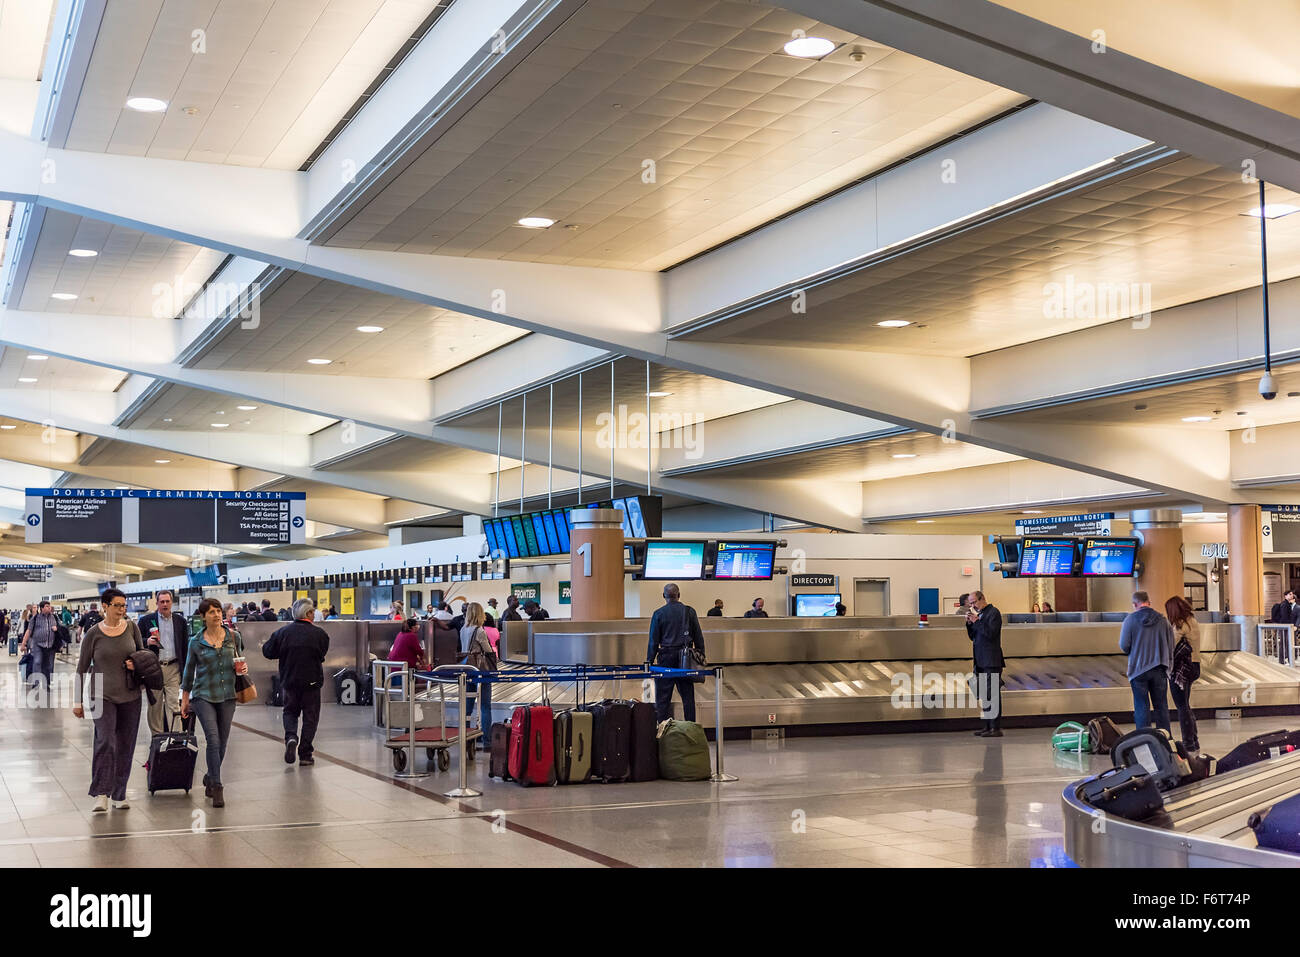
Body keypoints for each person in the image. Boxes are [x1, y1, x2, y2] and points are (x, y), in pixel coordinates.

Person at [74, 588, 144, 812]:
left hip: (130, 695)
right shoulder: (93, 633)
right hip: (100, 694)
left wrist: (136, 664)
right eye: (117, 605)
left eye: (124, 606)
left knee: (126, 743)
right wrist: (77, 702)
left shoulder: (132, 628)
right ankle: (101, 793)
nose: (122, 610)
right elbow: (81, 668)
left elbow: (143, 657)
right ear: (105, 606)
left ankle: (119, 793)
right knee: (105, 741)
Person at [181, 597, 247, 808]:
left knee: (223, 742)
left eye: (218, 611)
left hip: (228, 694)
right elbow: (188, 671)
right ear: (203, 617)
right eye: (211, 612)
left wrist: (243, 669)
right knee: (213, 739)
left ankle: (210, 775)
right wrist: (185, 699)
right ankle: (217, 786)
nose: (217, 615)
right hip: (203, 695)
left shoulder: (233, 637)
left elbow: (240, 661)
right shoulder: (195, 642)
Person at [262, 598, 330, 767]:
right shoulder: (320, 634)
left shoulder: (282, 633)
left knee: (290, 712)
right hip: (312, 682)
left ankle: (291, 737)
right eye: (313, 611)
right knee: (311, 717)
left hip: (289, 681)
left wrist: (284, 652)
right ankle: (305, 754)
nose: (314, 614)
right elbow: (322, 654)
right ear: (307, 613)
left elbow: (268, 651)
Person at [647, 583, 706, 723]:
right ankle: (691, 728)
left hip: (665, 657)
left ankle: (662, 731)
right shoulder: (689, 611)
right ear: (679, 595)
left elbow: (653, 641)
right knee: (687, 697)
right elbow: (698, 636)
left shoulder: (658, 613)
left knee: (663, 699)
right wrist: (701, 656)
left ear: (664, 596)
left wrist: (649, 661)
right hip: (685, 658)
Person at [1119, 591, 1174, 734]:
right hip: (1160, 668)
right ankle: (1165, 739)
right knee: (1161, 706)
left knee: (1141, 706)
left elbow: (1124, 645)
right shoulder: (1163, 620)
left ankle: (1144, 740)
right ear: (1149, 602)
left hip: (1138, 670)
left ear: (1134, 604)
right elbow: (1171, 644)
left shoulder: (1130, 620)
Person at [138, 590, 189, 735]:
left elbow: (185, 647)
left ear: (172, 602)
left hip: (173, 668)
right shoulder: (146, 621)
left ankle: (175, 738)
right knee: (155, 706)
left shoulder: (180, 621)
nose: (165, 604)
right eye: (162, 602)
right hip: (153, 669)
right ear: (157, 603)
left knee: (173, 705)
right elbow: (135, 643)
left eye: (167, 601)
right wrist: (146, 641)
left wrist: (185, 671)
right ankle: (157, 738)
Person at [1165, 596, 1201, 754]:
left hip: (1181, 669)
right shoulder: (1192, 620)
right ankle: (1194, 740)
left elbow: (1170, 646)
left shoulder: (1180, 624)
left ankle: (1188, 743)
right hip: (1194, 665)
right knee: (1185, 704)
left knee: (1181, 706)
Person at [965, 591, 1005, 736]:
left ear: (982, 599)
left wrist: (977, 621)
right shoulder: (980, 615)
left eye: (974, 602)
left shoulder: (994, 613)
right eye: (970, 603)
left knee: (992, 694)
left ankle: (995, 727)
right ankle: (987, 726)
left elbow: (991, 634)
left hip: (991, 660)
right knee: (984, 694)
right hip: (980, 660)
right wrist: (970, 624)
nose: (972, 605)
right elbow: (973, 636)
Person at [459, 603, 498, 730]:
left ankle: (465, 735)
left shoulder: (463, 629)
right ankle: (487, 740)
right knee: (485, 705)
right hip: (480, 669)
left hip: (467, 668)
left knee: (468, 704)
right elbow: (487, 650)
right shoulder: (479, 631)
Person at [21, 601, 60, 689]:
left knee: (48, 665)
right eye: (46, 606)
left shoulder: (53, 617)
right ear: (41, 608)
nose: (49, 608)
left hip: (50, 645)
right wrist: (23, 643)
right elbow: (29, 631)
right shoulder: (35, 618)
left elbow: (59, 629)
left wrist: (56, 629)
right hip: (38, 644)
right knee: (37, 662)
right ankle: (36, 682)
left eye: (49, 606)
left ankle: (47, 684)